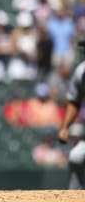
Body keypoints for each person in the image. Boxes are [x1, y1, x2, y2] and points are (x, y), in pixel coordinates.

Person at [58, 40, 85, 189]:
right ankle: (75, 197)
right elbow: (74, 101)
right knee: (76, 156)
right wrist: (65, 127)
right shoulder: (81, 71)